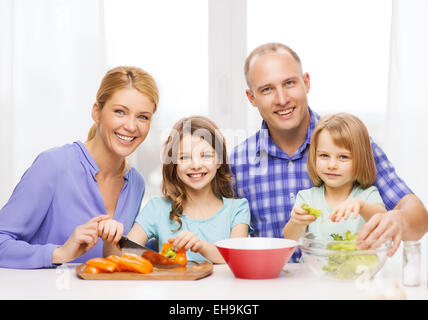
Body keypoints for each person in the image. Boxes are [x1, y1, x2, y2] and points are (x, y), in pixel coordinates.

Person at [229, 42, 428, 262]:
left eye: (289, 83)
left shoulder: (352, 145)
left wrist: (399, 220)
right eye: (267, 89)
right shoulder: (238, 163)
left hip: (343, 286)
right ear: (251, 98)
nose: (282, 99)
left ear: (306, 82)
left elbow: (418, 218)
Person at [0, 66, 159, 268]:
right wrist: (60, 253)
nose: (131, 126)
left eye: (143, 116)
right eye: (120, 112)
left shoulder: (135, 183)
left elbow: (122, 254)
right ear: (97, 112)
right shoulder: (54, 165)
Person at [103, 116, 252, 263]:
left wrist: (200, 247)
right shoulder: (157, 209)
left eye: (205, 155)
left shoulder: (237, 209)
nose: (195, 165)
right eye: (184, 158)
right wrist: (111, 238)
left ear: (219, 160)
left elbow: (238, 258)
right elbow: (123, 258)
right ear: (174, 164)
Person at [283, 113, 387, 241]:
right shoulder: (307, 198)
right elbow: (290, 239)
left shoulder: (367, 196)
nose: (332, 165)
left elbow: (383, 220)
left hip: (358, 262)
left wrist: (361, 206)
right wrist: (296, 222)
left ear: (360, 160)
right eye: (324, 156)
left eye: (343, 157)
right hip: (312, 261)